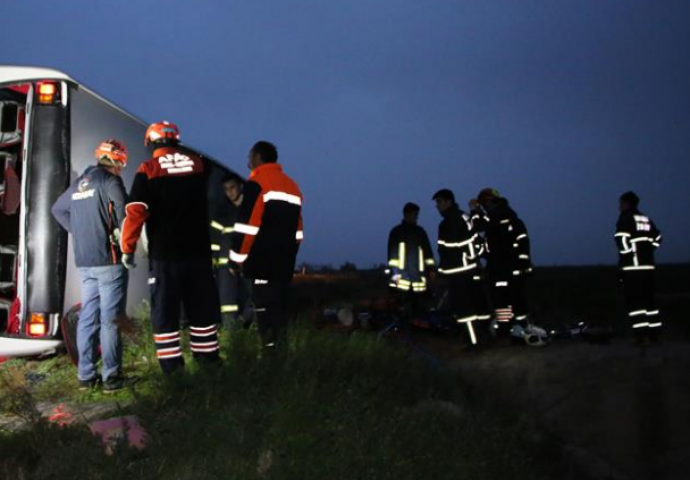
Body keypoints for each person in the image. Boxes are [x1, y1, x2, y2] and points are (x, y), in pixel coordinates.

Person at [120, 121, 221, 374]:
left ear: (151, 143)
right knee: (202, 310)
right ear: (176, 141)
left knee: (166, 313)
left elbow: (136, 211)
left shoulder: (149, 168)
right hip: (199, 253)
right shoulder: (198, 164)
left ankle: (174, 370)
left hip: (166, 256)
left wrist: (127, 247)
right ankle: (208, 363)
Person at [51, 139, 130, 392]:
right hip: (109, 261)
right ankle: (111, 376)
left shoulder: (79, 184)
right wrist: (126, 245)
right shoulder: (111, 181)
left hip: (85, 262)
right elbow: (124, 216)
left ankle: (85, 375)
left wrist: (78, 230)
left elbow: (57, 210)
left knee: (88, 317)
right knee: (110, 320)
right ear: (117, 160)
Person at [230, 141, 303, 352]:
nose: (247, 161)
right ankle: (282, 354)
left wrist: (236, 260)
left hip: (262, 265)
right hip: (284, 265)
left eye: (249, 156)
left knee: (265, 313)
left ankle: (271, 360)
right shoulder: (292, 186)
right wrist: (289, 255)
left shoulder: (257, 184)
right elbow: (298, 230)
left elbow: (247, 227)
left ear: (258, 157)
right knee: (280, 314)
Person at [470, 188, 546, 345]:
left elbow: (479, 225)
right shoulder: (499, 221)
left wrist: (475, 211)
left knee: (514, 301)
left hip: (508, 269)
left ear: (493, 201)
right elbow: (487, 243)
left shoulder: (501, 220)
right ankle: (509, 332)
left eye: (486, 202)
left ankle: (521, 331)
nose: (485, 206)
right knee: (502, 302)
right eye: (483, 204)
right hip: (498, 269)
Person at [433, 189, 487, 346]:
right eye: (437, 203)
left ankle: (473, 342)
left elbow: (449, 250)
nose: (437, 206)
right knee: (478, 304)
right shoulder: (464, 216)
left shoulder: (449, 222)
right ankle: (484, 337)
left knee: (464, 309)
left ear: (449, 201)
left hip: (459, 272)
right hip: (472, 268)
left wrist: (443, 270)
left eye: (440, 202)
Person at [615, 191, 663, 345]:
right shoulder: (646, 219)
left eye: (621, 203)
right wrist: (648, 250)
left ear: (627, 203)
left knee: (635, 302)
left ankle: (642, 336)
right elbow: (658, 238)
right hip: (648, 267)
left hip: (632, 268)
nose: (619, 206)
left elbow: (621, 239)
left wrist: (628, 255)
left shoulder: (625, 219)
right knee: (650, 302)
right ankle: (655, 335)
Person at [210, 173, 253, 329]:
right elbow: (214, 242)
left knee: (251, 299)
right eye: (226, 189)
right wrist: (213, 262)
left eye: (232, 187)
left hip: (248, 264)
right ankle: (231, 335)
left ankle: (247, 330)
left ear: (240, 187)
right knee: (227, 304)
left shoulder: (251, 211)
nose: (230, 192)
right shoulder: (222, 214)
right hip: (225, 268)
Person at [386, 202, 435, 314]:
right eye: (414, 214)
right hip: (402, 278)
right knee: (402, 309)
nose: (416, 217)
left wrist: (431, 269)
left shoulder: (420, 232)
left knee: (420, 308)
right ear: (406, 214)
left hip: (418, 277)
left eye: (417, 214)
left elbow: (428, 252)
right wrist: (395, 273)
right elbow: (392, 256)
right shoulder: (396, 232)